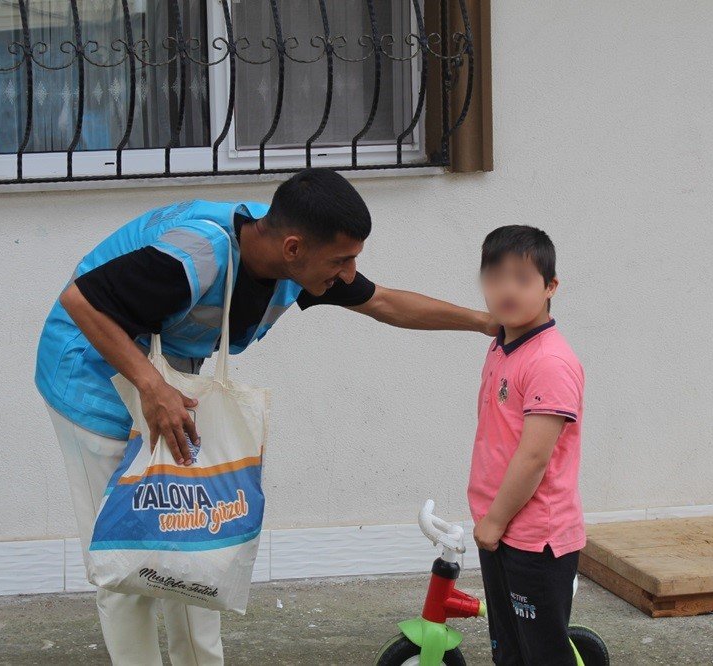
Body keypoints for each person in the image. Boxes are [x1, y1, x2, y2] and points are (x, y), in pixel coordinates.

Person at [35, 168, 496, 665]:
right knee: (126, 560)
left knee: (191, 548)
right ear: (293, 248)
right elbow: (79, 300)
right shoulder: (195, 255)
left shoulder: (285, 252)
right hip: (92, 380)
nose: (347, 273)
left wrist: (487, 323)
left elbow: (381, 300)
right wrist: (151, 386)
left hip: (167, 387)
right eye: (342, 260)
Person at [468, 225, 586, 665]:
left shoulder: (550, 362)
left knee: (542, 655)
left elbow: (535, 456)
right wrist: (493, 521)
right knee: (508, 650)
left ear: (550, 286)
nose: (506, 289)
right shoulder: (503, 346)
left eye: (521, 278)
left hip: (535, 537)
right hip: (501, 528)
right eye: (495, 276)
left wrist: (495, 521)